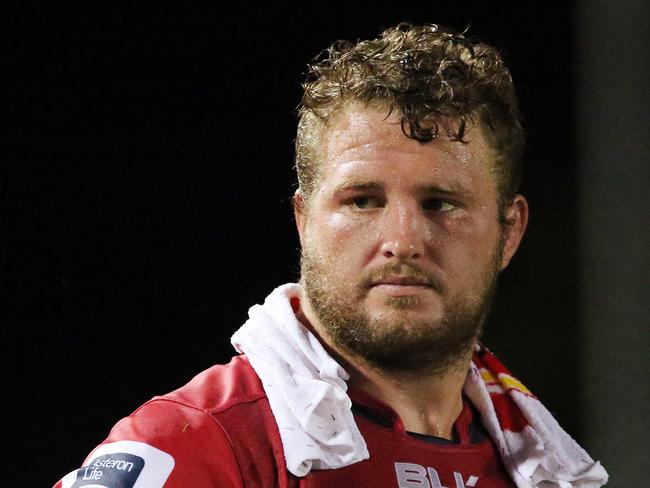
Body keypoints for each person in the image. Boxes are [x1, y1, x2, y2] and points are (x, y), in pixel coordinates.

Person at [54, 23, 608, 488]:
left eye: (441, 203)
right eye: (362, 200)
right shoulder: (194, 446)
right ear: (303, 219)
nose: (404, 240)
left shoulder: (549, 466)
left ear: (509, 232)